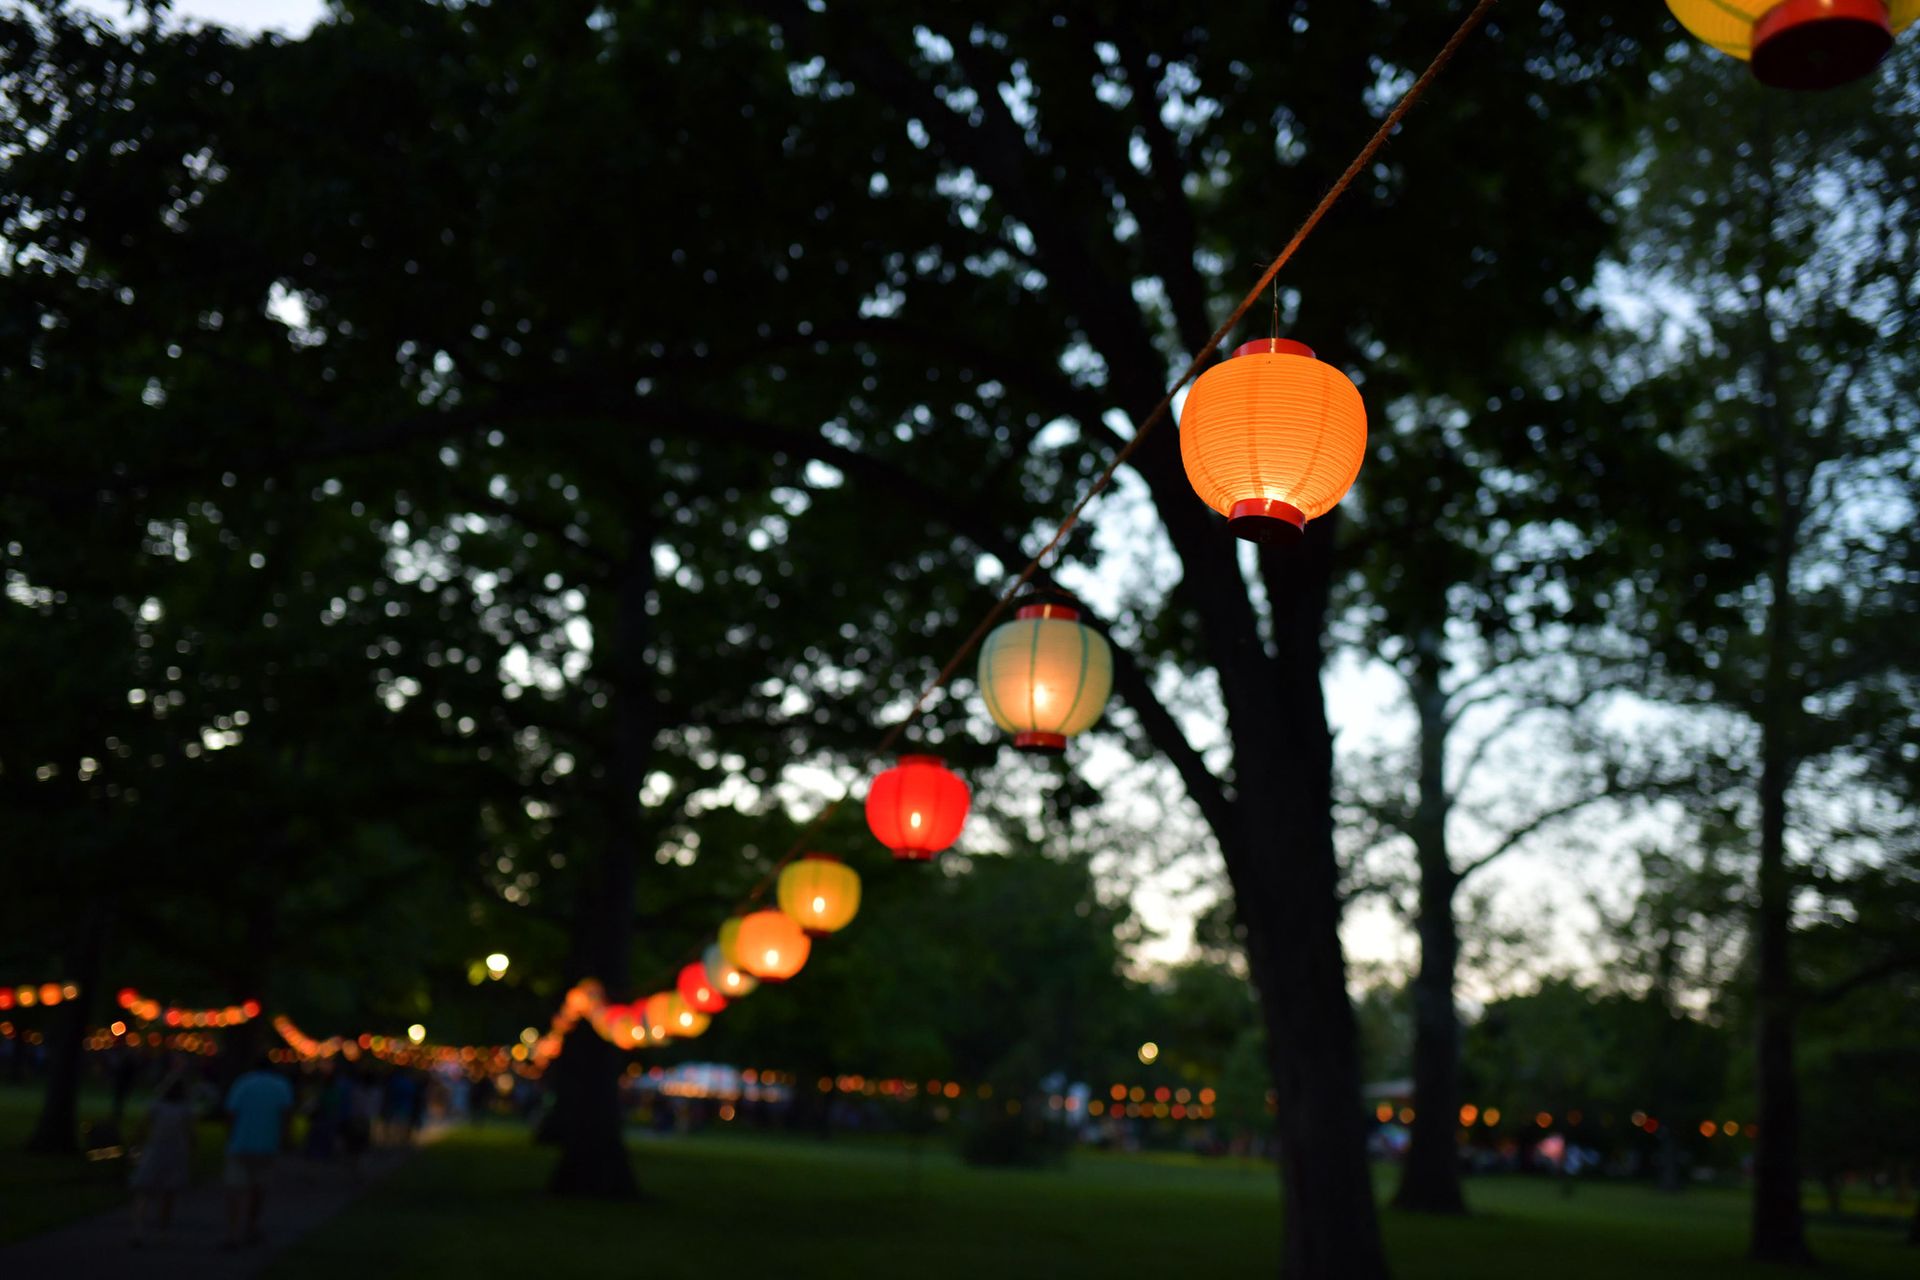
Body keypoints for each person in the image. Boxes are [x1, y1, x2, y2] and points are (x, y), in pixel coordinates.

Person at [222, 1055, 294, 1248]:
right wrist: (285, 1138)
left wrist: (231, 1134)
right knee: (258, 1189)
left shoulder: (243, 1083)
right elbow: (286, 1114)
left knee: (236, 1189)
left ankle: (233, 1230)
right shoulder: (281, 1085)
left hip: (240, 1142)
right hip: (267, 1144)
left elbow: (231, 1111)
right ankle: (250, 1226)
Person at [129, 1074, 194, 1246]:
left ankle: (138, 1230)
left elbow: (141, 1127)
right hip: (175, 1153)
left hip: (154, 1151)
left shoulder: (156, 1106)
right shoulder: (184, 1110)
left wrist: (135, 1146)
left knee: (143, 1191)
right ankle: (162, 1231)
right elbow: (191, 1134)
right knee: (168, 1194)